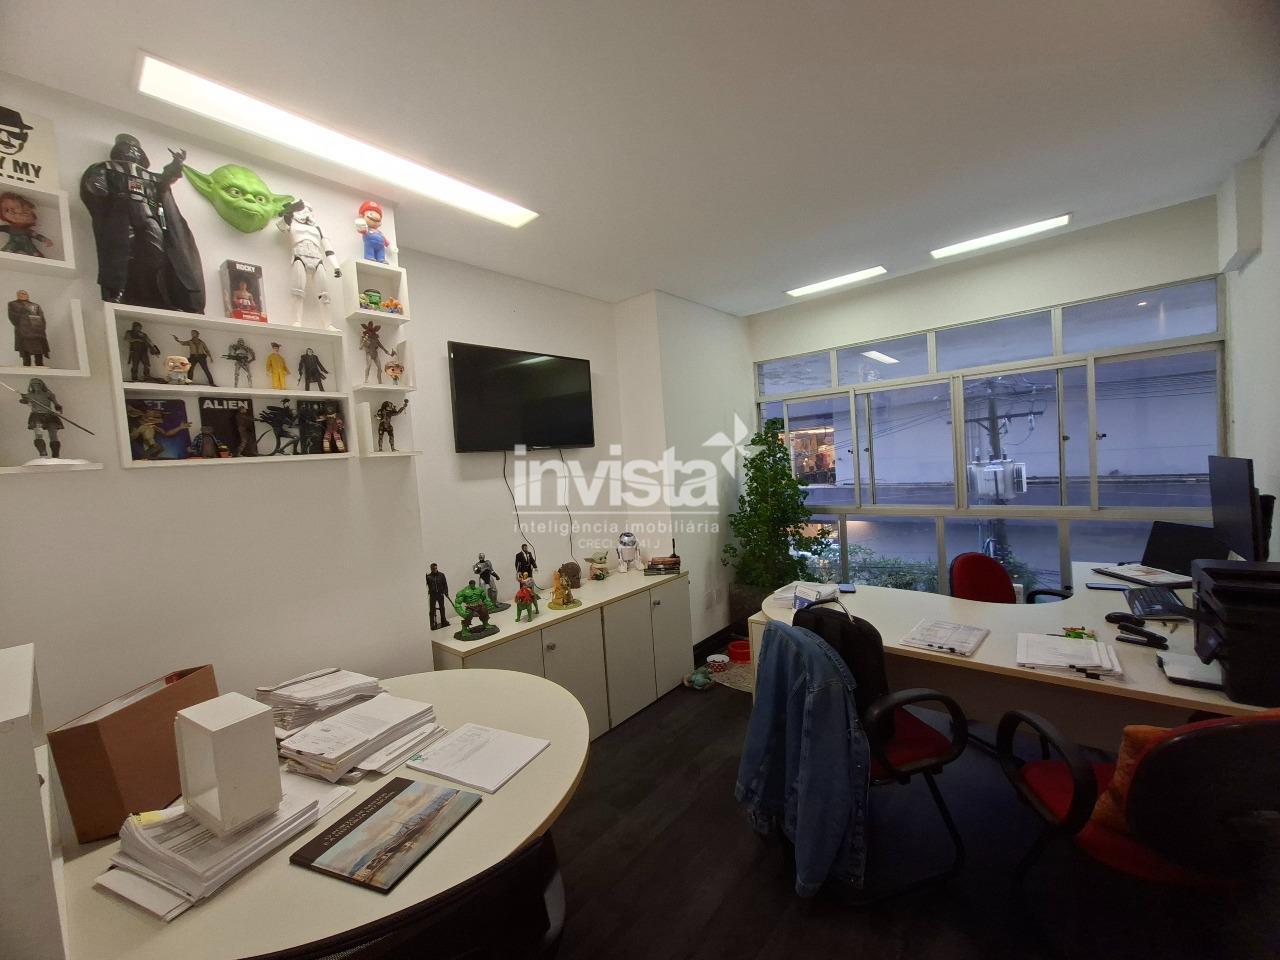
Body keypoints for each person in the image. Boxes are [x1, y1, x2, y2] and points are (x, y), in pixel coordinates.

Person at [8, 290, 48, 366]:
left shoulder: (35, 305)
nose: (23, 295)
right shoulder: (13, 304)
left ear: (27, 295)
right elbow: (12, 317)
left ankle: (40, 366)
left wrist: (41, 328)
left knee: (39, 351)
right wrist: (23, 322)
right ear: (17, 295)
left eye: (25, 294)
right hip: (23, 331)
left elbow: (41, 318)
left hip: (37, 331)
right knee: (25, 351)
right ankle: (27, 366)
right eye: (21, 293)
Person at [426, 563, 451, 630]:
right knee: (432, 609)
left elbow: (445, 584)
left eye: (435, 568)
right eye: (433, 568)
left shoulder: (441, 575)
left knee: (442, 608)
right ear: (431, 569)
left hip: (440, 594)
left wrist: (446, 592)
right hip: (433, 595)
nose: (435, 569)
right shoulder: (428, 577)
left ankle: (444, 620)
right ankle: (432, 623)